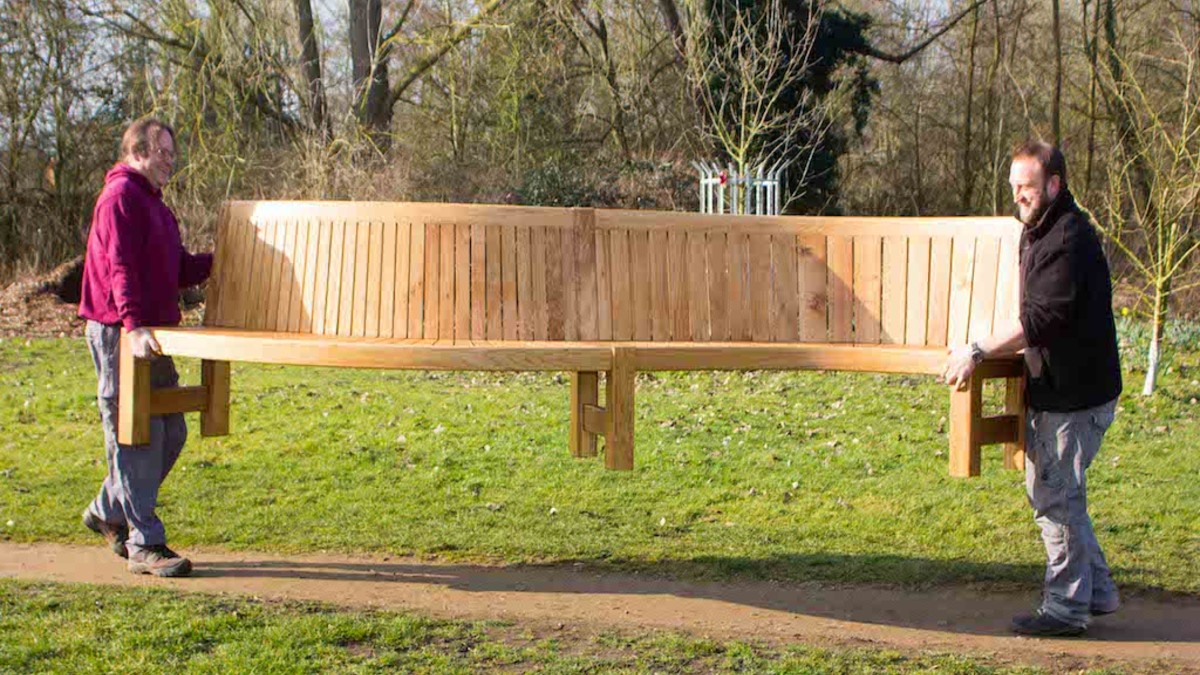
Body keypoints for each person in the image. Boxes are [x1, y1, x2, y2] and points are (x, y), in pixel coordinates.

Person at [943, 140, 1122, 637]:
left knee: (1055, 496)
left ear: (1054, 185)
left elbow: (1039, 319)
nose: (1018, 196)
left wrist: (977, 349)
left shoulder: (1067, 238)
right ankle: (1099, 592)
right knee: (1060, 493)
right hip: (1064, 388)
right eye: (1014, 188)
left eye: (1027, 187)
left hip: (1077, 394)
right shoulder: (1040, 230)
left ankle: (1066, 609)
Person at [77, 118, 212, 577]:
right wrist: (133, 327)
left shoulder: (155, 204)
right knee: (135, 436)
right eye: (164, 153)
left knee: (171, 432)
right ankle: (145, 544)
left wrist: (226, 257)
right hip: (123, 333)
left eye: (173, 154)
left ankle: (105, 509)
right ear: (137, 151)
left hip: (154, 333)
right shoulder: (120, 198)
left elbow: (178, 270)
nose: (172, 162)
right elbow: (121, 269)